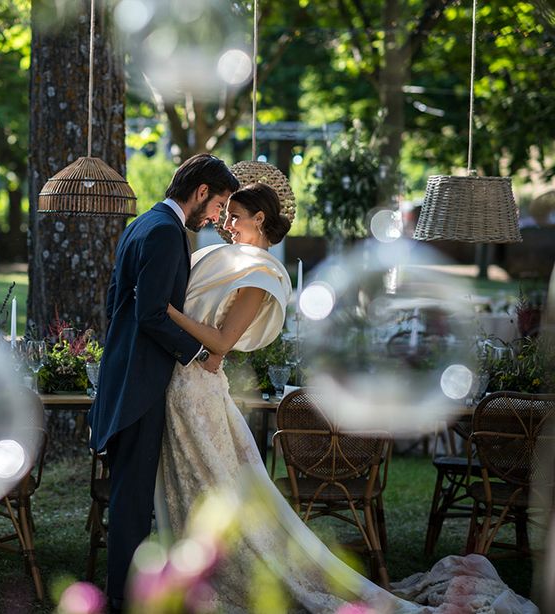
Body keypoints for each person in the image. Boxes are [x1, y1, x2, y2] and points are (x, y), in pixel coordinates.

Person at [153, 182, 537, 613]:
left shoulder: (260, 275)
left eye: (235, 216)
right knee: (202, 483)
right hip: (189, 387)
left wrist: (163, 310)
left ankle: (222, 572)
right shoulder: (235, 262)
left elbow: (222, 342)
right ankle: (193, 567)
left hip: (199, 388)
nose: (226, 225)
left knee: (221, 488)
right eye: (225, 216)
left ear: (259, 219)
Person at [88, 153, 239, 610]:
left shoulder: (142, 226)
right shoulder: (166, 234)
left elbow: (117, 305)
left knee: (130, 496)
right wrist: (199, 354)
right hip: (140, 385)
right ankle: (123, 597)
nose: (217, 217)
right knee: (132, 499)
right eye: (218, 205)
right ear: (200, 193)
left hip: (126, 376)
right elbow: (151, 313)